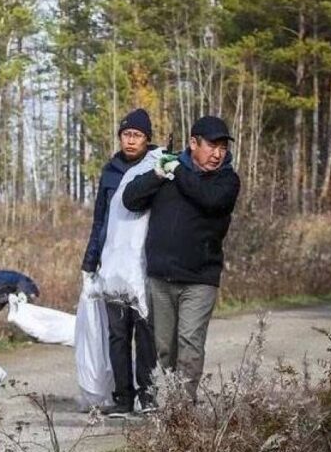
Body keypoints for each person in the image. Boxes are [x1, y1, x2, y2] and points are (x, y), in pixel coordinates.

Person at [123, 115, 240, 401]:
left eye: (223, 147)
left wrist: (178, 170)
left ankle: (184, 408)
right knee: (165, 349)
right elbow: (130, 199)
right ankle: (173, 402)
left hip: (200, 279)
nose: (217, 154)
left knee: (189, 342)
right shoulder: (168, 171)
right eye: (212, 146)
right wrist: (156, 174)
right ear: (193, 143)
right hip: (161, 277)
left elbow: (210, 200)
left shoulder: (226, 180)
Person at [81, 108, 158, 417]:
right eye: (126, 134)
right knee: (117, 332)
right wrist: (90, 261)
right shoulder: (110, 172)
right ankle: (123, 398)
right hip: (112, 264)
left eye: (137, 135)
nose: (131, 140)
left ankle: (148, 396)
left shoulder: (156, 168)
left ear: (147, 139)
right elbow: (100, 220)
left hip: (144, 264)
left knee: (146, 331)